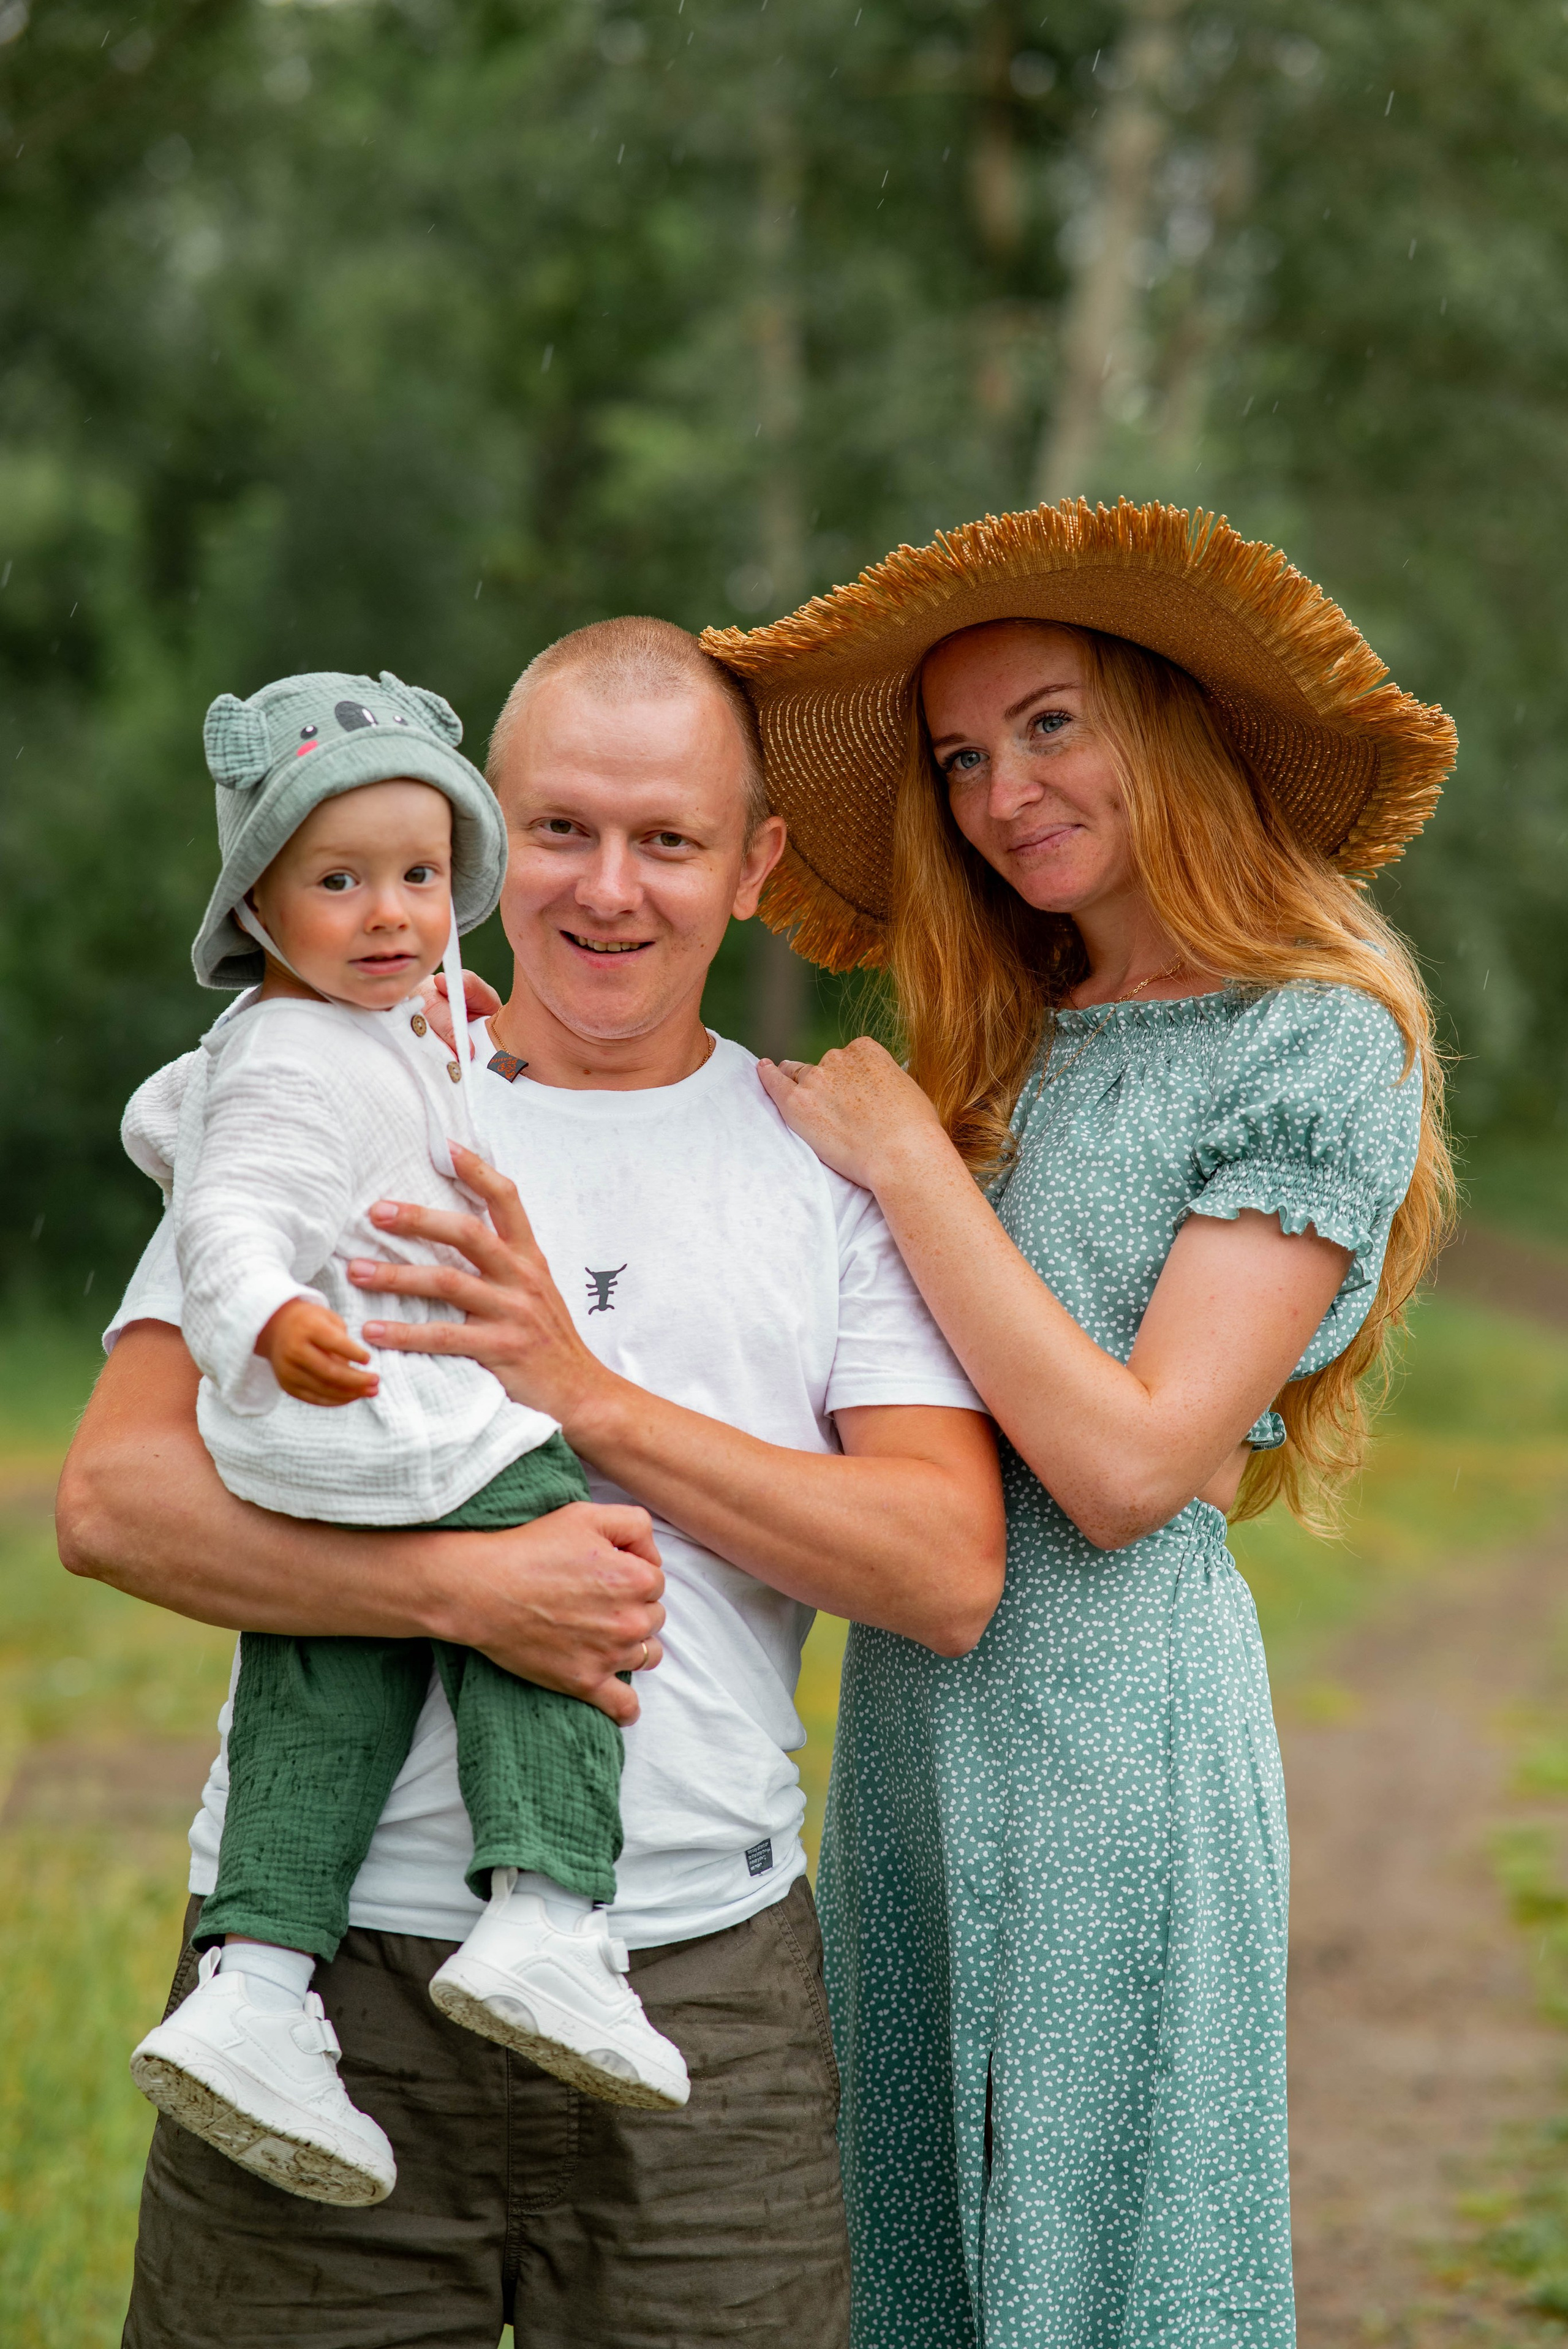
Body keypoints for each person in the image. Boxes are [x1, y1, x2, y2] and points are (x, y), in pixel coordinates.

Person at [56, 617, 1006, 2349]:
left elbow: (943, 1565)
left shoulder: (821, 1168)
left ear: (755, 865)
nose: (610, 890)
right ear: (487, 826)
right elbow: (115, 1497)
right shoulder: (333, 1083)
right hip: (320, 1969)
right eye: (562, 829)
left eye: (670, 841)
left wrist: (582, 1394)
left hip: (699, 1988)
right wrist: (454, 1588)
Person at [708, 499, 1458, 2349]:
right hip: (907, 1721)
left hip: (1123, 1728)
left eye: (1050, 723)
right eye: (962, 755)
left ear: (1166, 721)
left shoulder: (1315, 1039)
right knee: (912, 2259)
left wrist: (909, 1165)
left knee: (1112, 2270)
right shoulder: (996, 1037)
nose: (999, 792)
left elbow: (1132, 1471)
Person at [122, 668, 688, 2219]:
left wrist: (435, 1032)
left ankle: (253, 1985)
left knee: (329, 1669)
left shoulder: (329, 1029)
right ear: (259, 903)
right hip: (391, 1417)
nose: (392, 916)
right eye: (339, 882)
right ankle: (550, 1909)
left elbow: (193, 1117)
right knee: (555, 1552)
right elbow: (236, 1206)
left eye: (424, 879)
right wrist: (261, 1325)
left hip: (311, 1471)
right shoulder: (307, 1063)